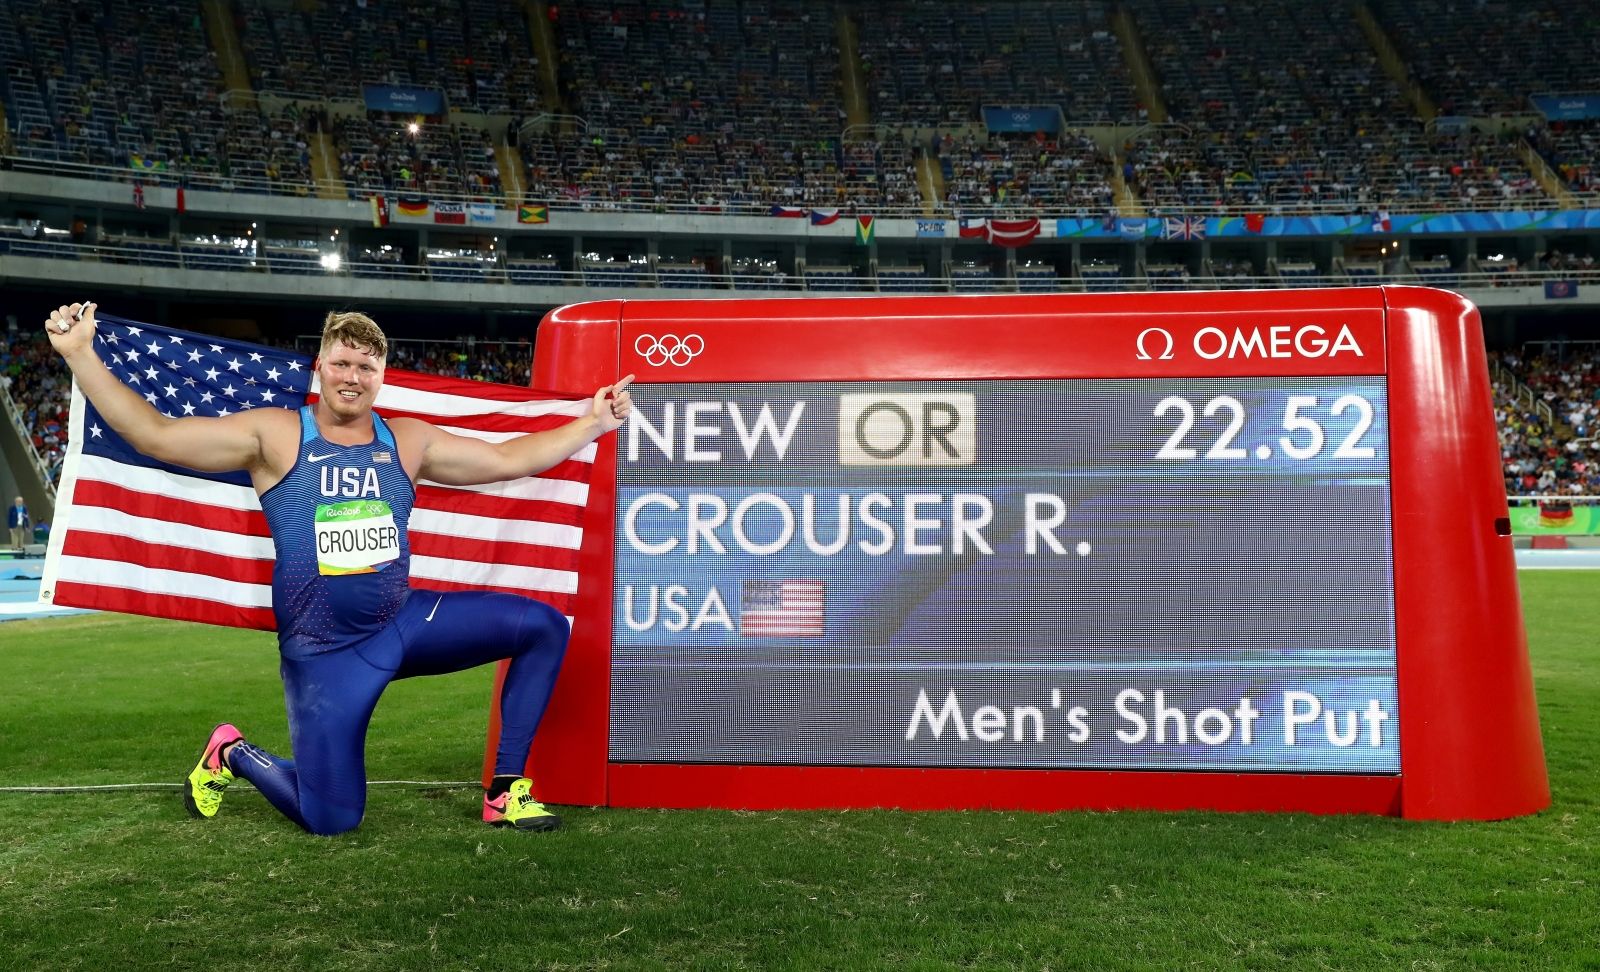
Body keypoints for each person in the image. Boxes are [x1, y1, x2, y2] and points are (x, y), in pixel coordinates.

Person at [44, 303, 634, 835]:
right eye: (343, 363)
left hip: (401, 623)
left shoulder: (408, 441)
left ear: (381, 377)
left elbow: (509, 459)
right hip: (325, 654)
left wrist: (593, 423)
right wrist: (80, 355)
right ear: (320, 367)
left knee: (544, 626)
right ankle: (234, 754)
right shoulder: (276, 434)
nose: (353, 377)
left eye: (366, 367)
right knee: (332, 818)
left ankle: (506, 793)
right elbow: (156, 436)